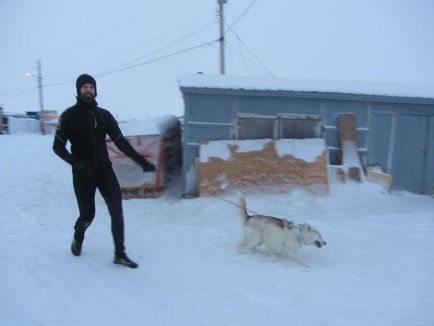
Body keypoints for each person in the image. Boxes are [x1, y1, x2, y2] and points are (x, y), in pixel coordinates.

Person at [53, 74, 155, 268]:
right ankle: (78, 235)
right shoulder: (68, 116)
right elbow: (57, 147)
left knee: (117, 211)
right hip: (83, 174)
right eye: (84, 87)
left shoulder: (104, 115)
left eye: (91, 87)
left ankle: (120, 254)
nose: (88, 90)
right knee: (87, 215)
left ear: (96, 90)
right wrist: (76, 163)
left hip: (104, 171)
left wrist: (142, 162)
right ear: (78, 90)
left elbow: (121, 143)